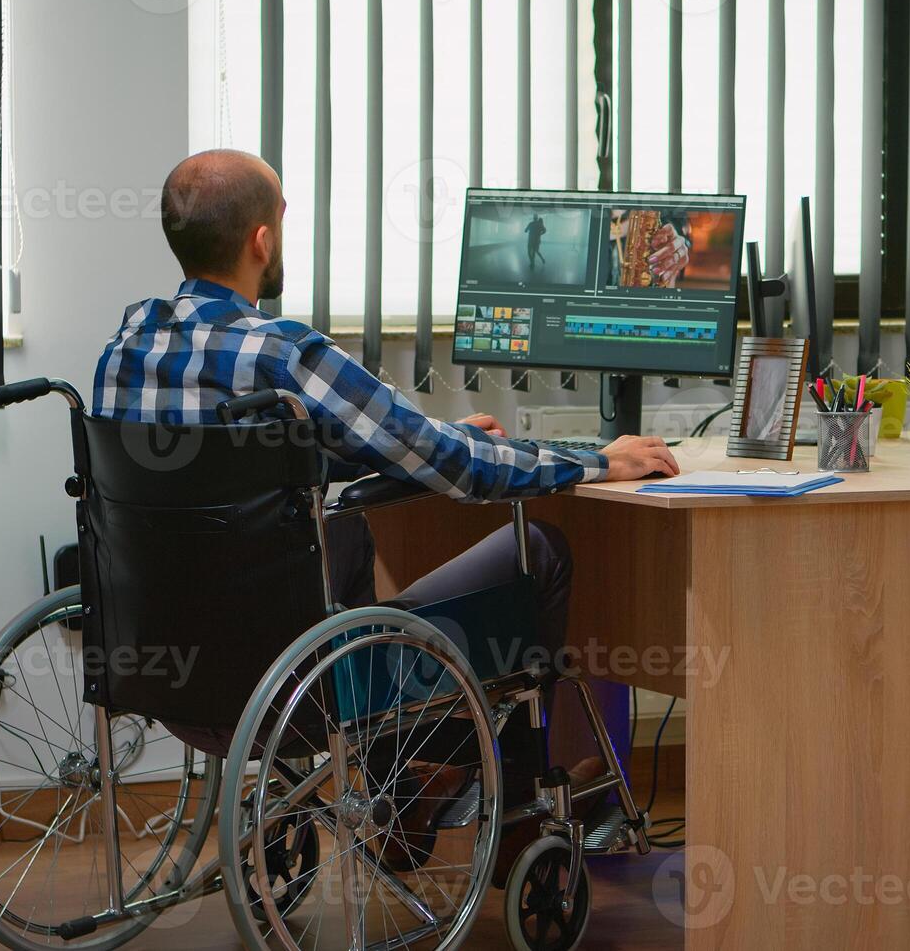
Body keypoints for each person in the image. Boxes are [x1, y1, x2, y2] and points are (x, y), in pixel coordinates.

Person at [94, 149, 678, 864]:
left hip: (169, 674)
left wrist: (428, 443)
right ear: (262, 241)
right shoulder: (284, 357)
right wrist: (597, 460)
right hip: (290, 685)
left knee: (354, 538)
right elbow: (459, 471)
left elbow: (235, 468)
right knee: (543, 551)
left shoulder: (125, 348)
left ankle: (422, 783)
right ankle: (487, 800)